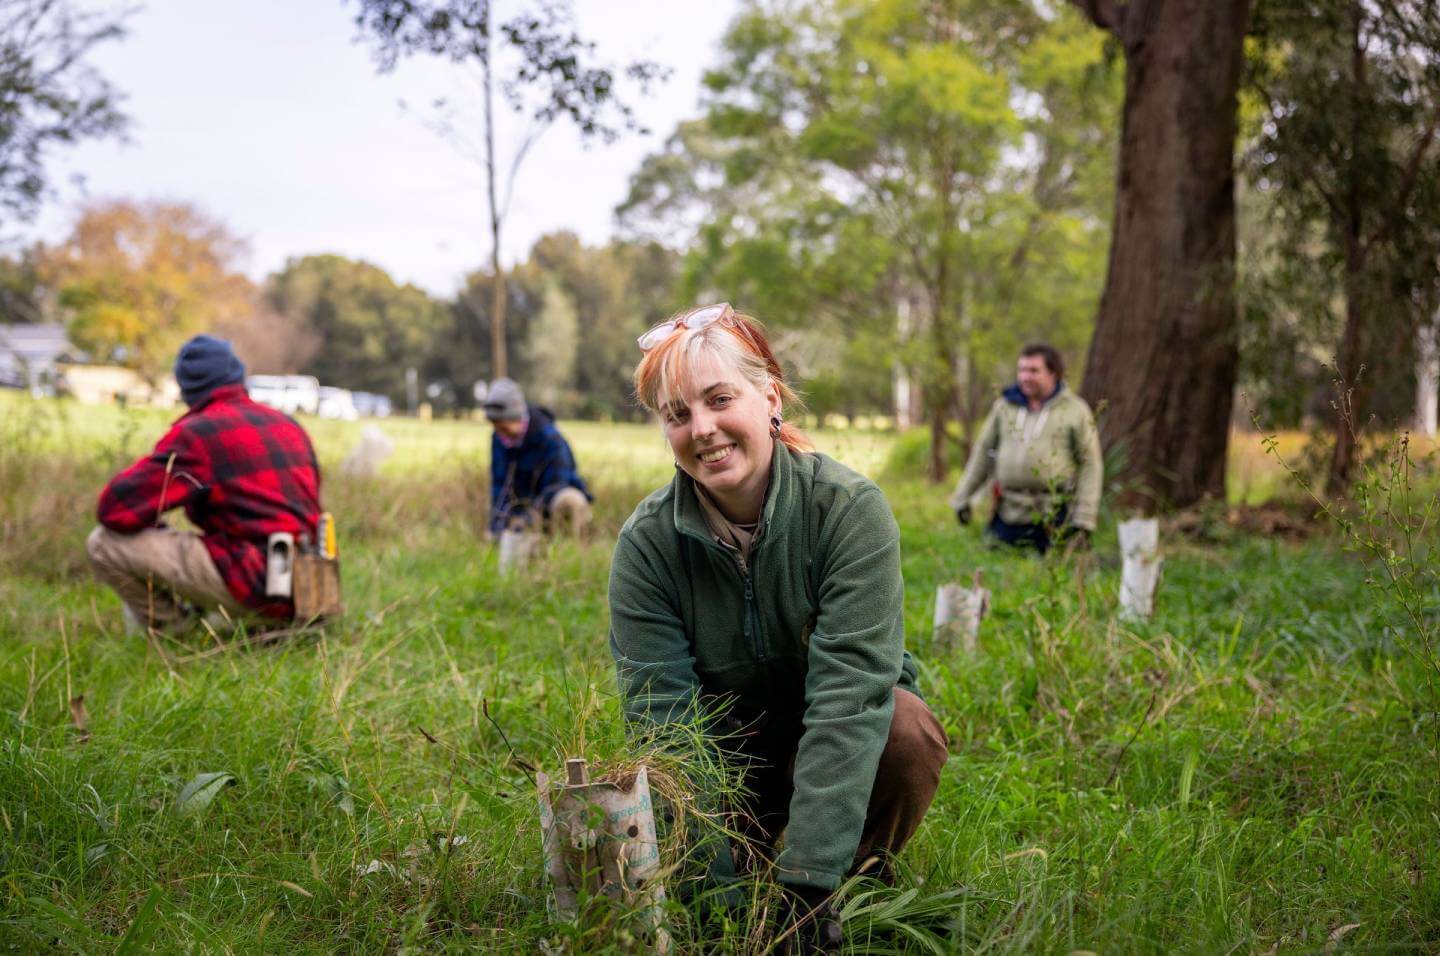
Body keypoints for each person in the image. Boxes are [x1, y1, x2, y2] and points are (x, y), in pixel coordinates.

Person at [608, 303, 948, 951]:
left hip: (831, 744)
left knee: (906, 728)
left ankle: (852, 880)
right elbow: (665, 726)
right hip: (729, 763)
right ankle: (749, 874)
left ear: (769, 397)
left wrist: (809, 885)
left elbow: (852, 697)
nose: (702, 429)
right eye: (677, 415)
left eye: (718, 399)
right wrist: (713, 902)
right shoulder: (646, 546)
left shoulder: (848, 513)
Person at [87, 335, 322, 631]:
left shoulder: (197, 433)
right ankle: (272, 627)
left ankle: (177, 632)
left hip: (256, 584)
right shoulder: (288, 424)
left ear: (186, 388)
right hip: (312, 585)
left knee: (104, 543)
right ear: (239, 376)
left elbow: (114, 509)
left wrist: (158, 528)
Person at [949, 343, 1102, 553]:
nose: (1025, 377)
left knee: (1049, 574)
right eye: (1021, 370)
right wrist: (962, 497)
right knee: (998, 570)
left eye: (1033, 370)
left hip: (1055, 514)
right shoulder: (1004, 407)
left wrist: (1084, 517)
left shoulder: (1075, 410)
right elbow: (982, 454)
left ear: (1053, 373)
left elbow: (1090, 465)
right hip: (1007, 513)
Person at [483, 377, 593, 538]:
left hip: (550, 505)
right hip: (520, 510)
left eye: (503, 427)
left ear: (516, 416)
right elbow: (499, 485)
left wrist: (528, 518)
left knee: (571, 500)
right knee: (495, 534)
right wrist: (497, 525)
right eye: (495, 426)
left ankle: (568, 550)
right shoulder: (499, 439)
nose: (500, 433)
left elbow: (557, 484)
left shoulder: (550, 438)